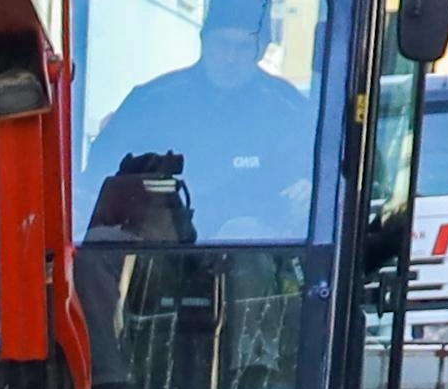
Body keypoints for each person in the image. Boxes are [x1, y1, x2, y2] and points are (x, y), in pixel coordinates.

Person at [79, 0, 315, 241]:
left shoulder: (290, 111)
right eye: (223, 44)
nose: (231, 58)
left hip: (258, 251)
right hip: (158, 247)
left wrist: (308, 189)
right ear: (204, 40)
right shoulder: (150, 102)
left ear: (263, 49)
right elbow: (96, 179)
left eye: (245, 47)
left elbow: (318, 179)